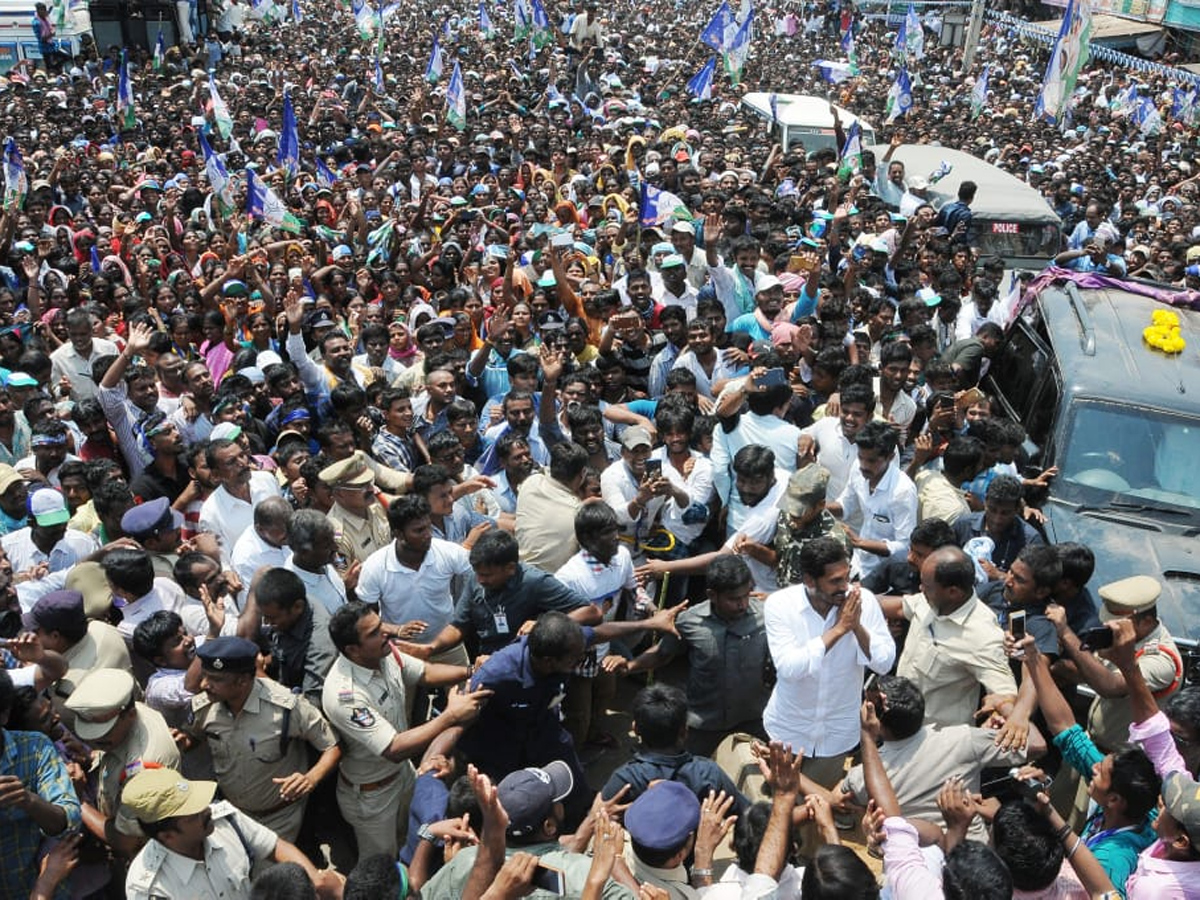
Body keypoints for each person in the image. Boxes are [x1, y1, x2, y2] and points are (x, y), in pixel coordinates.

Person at [321, 601, 490, 860]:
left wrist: (472, 672)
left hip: (403, 776)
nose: (386, 634)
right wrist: (451, 715)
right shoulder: (346, 695)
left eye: (381, 627)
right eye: (374, 633)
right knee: (384, 866)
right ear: (353, 649)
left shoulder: (386, 654)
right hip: (372, 797)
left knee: (412, 841)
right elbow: (394, 748)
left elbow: (427, 672)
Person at [763, 536, 895, 788]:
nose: (845, 586)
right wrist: (839, 629)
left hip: (837, 734)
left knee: (815, 805)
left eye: (847, 577)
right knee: (780, 800)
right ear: (809, 580)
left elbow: (884, 663)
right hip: (789, 728)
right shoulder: (780, 605)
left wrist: (857, 627)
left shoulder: (863, 602)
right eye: (835, 581)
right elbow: (790, 668)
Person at [606, 555, 771, 754]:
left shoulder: (767, 616)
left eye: (747, 595)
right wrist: (631, 666)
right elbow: (662, 654)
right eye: (734, 599)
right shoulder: (690, 621)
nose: (743, 604)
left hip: (754, 719)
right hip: (704, 723)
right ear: (712, 595)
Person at [186, 636, 341, 842]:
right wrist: (184, 742)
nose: (204, 684)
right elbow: (194, 737)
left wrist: (310, 779)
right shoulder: (204, 707)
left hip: (279, 818)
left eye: (215, 679)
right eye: (205, 676)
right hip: (232, 814)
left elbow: (333, 746)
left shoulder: (286, 708)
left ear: (242, 681)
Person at [121, 766, 341, 900]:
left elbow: (276, 847)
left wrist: (316, 882)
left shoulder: (225, 819)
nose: (206, 811)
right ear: (167, 835)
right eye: (193, 815)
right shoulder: (149, 887)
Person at [64, 667, 182, 855]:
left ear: (130, 714)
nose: (96, 741)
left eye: (104, 734)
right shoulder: (129, 710)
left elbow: (126, 841)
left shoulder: (144, 771)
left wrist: (78, 801)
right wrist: (93, 758)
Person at [0, 667, 82, 898]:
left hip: (51, 887)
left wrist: (28, 800)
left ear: (4, 715)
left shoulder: (34, 747)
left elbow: (69, 819)